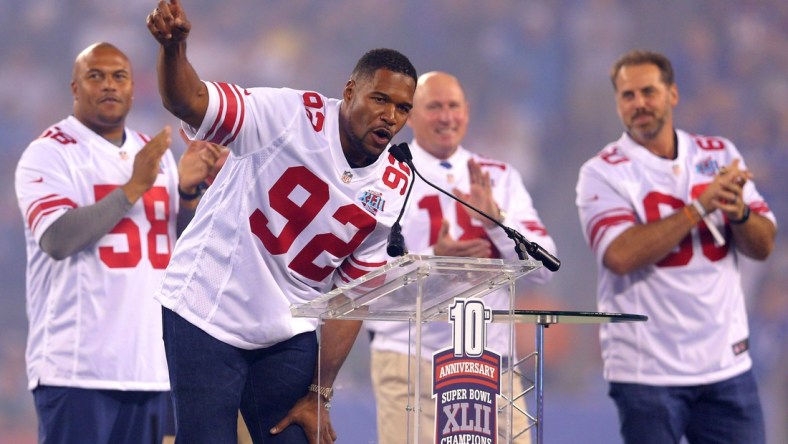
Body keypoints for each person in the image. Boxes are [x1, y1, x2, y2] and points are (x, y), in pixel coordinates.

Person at [146, 1, 417, 442]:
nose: (390, 115)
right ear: (349, 92)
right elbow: (189, 101)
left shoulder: (395, 183)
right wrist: (173, 49)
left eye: (402, 108)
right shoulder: (287, 115)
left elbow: (352, 298)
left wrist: (320, 392)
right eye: (380, 99)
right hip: (206, 309)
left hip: (285, 328)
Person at [14, 42, 223, 444]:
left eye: (119, 77)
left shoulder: (154, 154)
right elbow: (57, 239)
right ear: (75, 87)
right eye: (96, 76)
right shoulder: (49, 153)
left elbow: (178, 247)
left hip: (150, 368)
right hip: (76, 371)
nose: (109, 85)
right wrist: (133, 187)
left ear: (132, 88)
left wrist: (186, 192)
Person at [575, 49, 776, 444]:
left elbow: (764, 243)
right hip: (647, 371)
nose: (639, 104)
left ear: (673, 94)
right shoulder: (601, 172)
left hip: (725, 365)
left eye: (648, 92)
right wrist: (700, 207)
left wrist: (737, 213)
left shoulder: (719, 154)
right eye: (627, 96)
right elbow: (619, 255)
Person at [366, 71, 556, 444]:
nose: (446, 117)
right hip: (410, 360)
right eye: (433, 106)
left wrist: (497, 220)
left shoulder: (499, 177)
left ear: (467, 112)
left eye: (453, 106)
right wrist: (433, 260)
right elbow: (363, 280)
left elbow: (545, 269)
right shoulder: (380, 175)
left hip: (493, 361)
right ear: (411, 114)